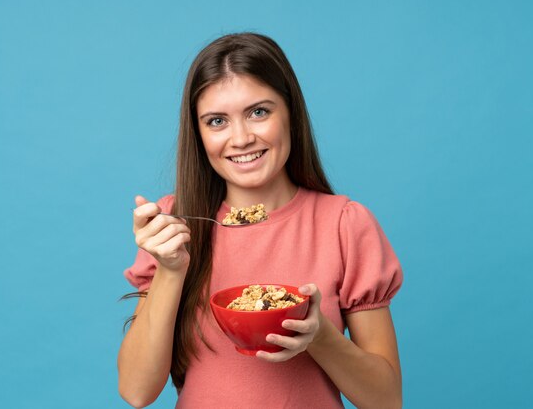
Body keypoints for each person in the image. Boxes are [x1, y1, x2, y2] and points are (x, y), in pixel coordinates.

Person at [118, 32, 404, 409]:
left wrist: (320, 337)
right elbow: (137, 391)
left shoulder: (345, 224)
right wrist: (171, 270)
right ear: (199, 134)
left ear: (290, 113)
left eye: (258, 112)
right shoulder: (174, 227)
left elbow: (386, 401)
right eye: (217, 121)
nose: (240, 138)